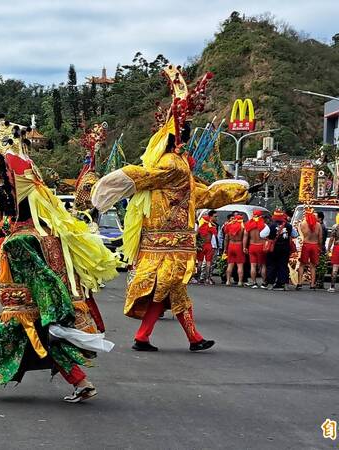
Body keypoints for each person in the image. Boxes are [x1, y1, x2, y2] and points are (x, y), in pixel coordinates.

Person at [0, 117, 116, 403]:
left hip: (23, 306)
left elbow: (44, 278)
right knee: (51, 343)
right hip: (35, 305)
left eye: (5, 194)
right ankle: (81, 382)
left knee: (1, 340)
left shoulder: (21, 239)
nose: (1, 198)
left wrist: (54, 313)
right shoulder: (42, 231)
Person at [92, 67, 250, 352]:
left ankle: (158, 337)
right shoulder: (172, 165)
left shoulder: (176, 166)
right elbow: (148, 178)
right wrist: (120, 181)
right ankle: (180, 338)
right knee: (170, 290)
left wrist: (230, 190)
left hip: (167, 243)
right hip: (168, 245)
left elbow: (199, 197)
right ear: (182, 139)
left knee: (168, 292)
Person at [262, 209, 296, 291]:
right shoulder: (288, 225)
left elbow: (262, 234)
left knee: (271, 265)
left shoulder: (270, 225)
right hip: (285, 249)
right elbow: (295, 234)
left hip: (273, 249)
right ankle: (284, 284)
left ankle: (270, 283)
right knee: (283, 266)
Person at [297, 207, 323, 290]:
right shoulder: (318, 225)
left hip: (306, 245)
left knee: (302, 265)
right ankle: (312, 284)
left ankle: (299, 283)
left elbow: (300, 235)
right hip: (315, 245)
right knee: (313, 266)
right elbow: (320, 237)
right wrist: (320, 246)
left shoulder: (303, 223)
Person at [243, 210, 268, 289]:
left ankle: (254, 283)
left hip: (252, 246)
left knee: (253, 265)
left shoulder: (248, 225)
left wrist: (244, 247)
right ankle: (264, 283)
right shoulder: (264, 225)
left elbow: (245, 237)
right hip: (261, 246)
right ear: (260, 216)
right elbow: (267, 237)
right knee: (263, 265)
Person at [223, 213, 246, 287]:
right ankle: (239, 282)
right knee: (240, 265)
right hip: (239, 245)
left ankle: (228, 281)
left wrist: (225, 248)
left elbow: (226, 238)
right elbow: (244, 238)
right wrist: (244, 247)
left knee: (230, 264)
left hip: (230, 245)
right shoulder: (242, 227)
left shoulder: (229, 226)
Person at [195, 211, 217, 285]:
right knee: (208, 263)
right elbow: (215, 233)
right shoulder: (211, 227)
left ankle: (198, 279)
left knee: (200, 263)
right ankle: (207, 279)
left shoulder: (200, 228)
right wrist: (211, 223)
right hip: (209, 245)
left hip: (201, 245)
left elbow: (196, 236)